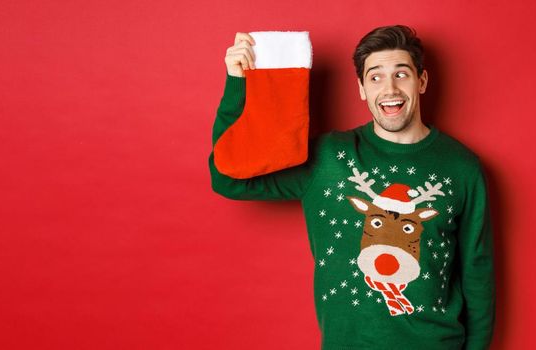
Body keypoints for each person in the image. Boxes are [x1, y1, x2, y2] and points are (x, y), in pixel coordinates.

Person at [209, 25, 495, 350]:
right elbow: (228, 177)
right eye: (375, 77)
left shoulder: (461, 167)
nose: (390, 88)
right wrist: (237, 85)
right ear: (361, 88)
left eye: (401, 74)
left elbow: (477, 271)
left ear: (422, 81)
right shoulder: (329, 158)